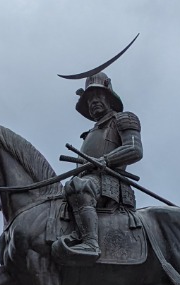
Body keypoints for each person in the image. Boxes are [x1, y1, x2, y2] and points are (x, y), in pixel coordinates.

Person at [58, 69, 143, 259]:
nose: (93, 101)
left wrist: (105, 160)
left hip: (109, 184)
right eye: (89, 99)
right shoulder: (90, 133)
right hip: (87, 181)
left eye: (97, 96)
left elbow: (134, 149)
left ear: (109, 98)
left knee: (79, 186)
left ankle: (90, 243)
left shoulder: (122, 119)